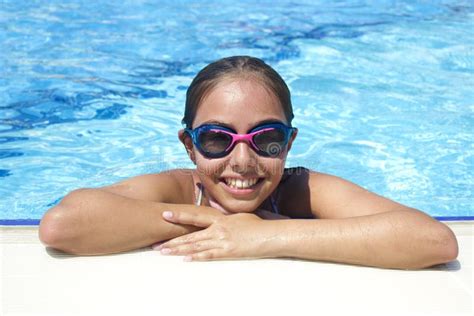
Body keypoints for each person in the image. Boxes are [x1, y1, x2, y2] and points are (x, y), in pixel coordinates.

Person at [39, 56, 458, 269]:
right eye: (218, 138)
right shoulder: (180, 189)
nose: (243, 161)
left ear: (289, 143)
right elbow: (63, 225)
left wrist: (264, 235)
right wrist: (216, 221)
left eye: (266, 139)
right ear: (189, 145)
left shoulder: (300, 189)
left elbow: (432, 241)